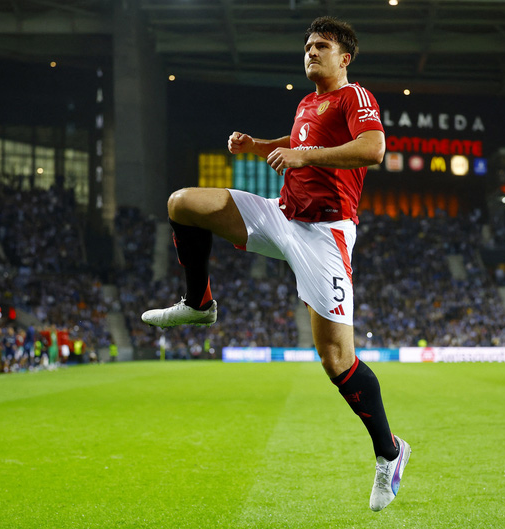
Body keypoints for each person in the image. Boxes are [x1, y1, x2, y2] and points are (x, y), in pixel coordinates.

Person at [142, 16, 410, 512]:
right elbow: (295, 151)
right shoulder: (307, 102)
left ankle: (390, 453)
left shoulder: (356, 98)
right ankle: (199, 303)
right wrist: (257, 148)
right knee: (182, 202)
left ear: (344, 57)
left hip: (325, 232)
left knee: (336, 361)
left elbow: (374, 150)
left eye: (321, 46)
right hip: (280, 216)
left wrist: (306, 155)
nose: (310, 52)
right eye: (307, 45)